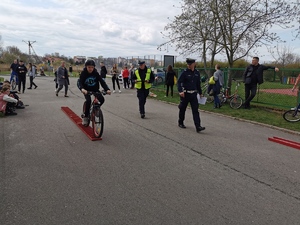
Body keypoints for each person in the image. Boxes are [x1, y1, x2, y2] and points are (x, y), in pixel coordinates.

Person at [78, 59, 111, 126]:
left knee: (102, 99)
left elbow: (102, 82)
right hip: (86, 89)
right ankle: (86, 117)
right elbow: (80, 82)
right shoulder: (84, 73)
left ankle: (96, 110)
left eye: (92, 67)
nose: (90, 69)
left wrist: (107, 89)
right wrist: (82, 89)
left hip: (95, 89)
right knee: (88, 101)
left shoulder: (95, 73)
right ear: (86, 67)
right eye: (89, 67)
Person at [177, 58, 205, 132]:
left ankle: (198, 126)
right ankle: (180, 122)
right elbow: (179, 82)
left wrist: (200, 92)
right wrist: (180, 91)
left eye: (190, 64)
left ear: (194, 64)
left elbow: (198, 84)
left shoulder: (197, 73)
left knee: (195, 110)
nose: (188, 65)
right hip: (185, 94)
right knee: (183, 109)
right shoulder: (185, 72)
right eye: (188, 64)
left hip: (194, 94)